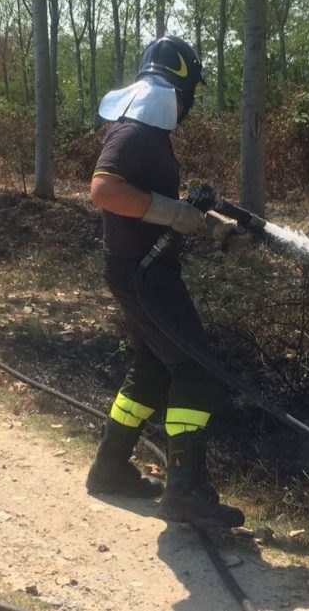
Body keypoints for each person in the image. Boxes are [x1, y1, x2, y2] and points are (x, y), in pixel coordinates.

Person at [83, 36, 245, 528]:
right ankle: (186, 489)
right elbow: (104, 190)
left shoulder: (144, 127)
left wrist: (207, 220)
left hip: (139, 268)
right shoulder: (137, 132)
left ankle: (110, 468)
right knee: (197, 370)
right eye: (191, 89)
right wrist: (177, 214)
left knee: (152, 370)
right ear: (180, 85)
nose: (190, 101)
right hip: (144, 274)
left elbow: (148, 199)